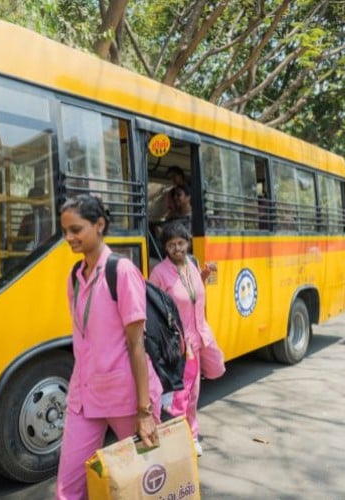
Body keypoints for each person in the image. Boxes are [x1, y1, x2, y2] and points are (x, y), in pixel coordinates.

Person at [56, 194, 162, 500]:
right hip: (84, 397)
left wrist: (144, 411)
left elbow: (136, 342)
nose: (69, 238)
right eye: (65, 231)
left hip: (126, 397)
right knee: (68, 489)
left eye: (76, 230)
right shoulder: (75, 277)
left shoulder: (122, 271)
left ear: (99, 225)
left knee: (144, 485)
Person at [149, 222, 221, 457]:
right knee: (178, 397)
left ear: (187, 242)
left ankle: (189, 435)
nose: (177, 248)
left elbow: (191, 295)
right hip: (177, 345)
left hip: (198, 340)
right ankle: (179, 440)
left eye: (180, 243)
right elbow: (154, 308)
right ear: (166, 248)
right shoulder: (159, 273)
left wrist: (205, 275)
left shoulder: (192, 264)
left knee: (193, 394)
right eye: (171, 245)